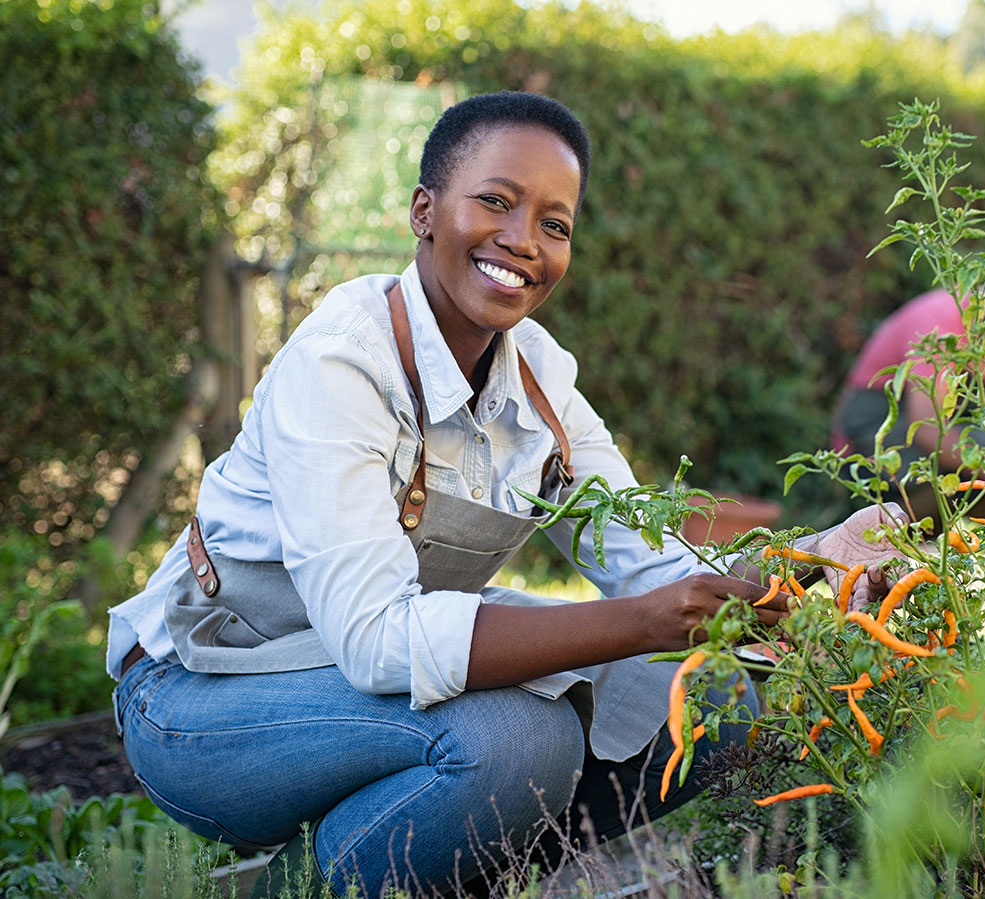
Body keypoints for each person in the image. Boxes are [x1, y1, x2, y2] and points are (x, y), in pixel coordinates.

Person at [108, 91, 904, 899]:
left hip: (358, 692)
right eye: (495, 200)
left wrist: (811, 558)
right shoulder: (341, 365)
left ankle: (446, 879)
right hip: (205, 696)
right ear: (424, 209)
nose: (523, 241)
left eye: (555, 225)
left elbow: (655, 563)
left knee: (718, 694)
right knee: (518, 742)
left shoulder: (539, 379)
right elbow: (379, 639)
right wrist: (640, 626)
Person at [830, 287, 985, 520]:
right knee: (982, 451)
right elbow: (926, 428)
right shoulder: (941, 323)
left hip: (938, 421)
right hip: (874, 428)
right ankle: (895, 524)